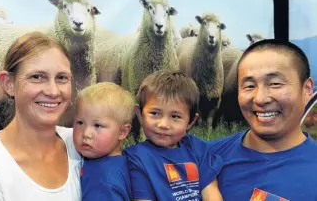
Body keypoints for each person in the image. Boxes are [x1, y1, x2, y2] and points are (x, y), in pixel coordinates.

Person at [209, 39, 317, 200]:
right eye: (249, 86)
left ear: (307, 89)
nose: (260, 99)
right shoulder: (205, 157)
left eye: (274, 83)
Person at [0, 32, 82, 201]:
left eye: (61, 78)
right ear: (8, 83)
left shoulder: (84, 144)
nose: (53, 91)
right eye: (37, 77)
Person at [124, 70, 223, 201]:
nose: (164, 124)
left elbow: (211, 194)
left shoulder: (198, 149)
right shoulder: (136, 158)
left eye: (175, 116)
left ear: (191, 121)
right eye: (154, 113)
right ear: (140, 114)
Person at [73, 82, 135, 201]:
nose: (86, 133)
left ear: (122, 132)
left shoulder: (104, 180)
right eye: (80, 122)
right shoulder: (124, 160)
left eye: (97, 125)